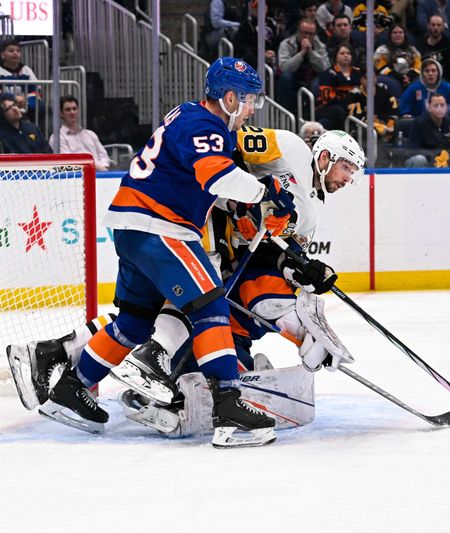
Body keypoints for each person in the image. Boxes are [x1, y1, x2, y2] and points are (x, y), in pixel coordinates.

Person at [7, 128, 366, 440]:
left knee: (144, 315)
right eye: (346, 167)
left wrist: (302, 267)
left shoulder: (309, 216)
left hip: (220, 241)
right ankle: (154, 361)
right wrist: (245, 196)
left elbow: (267, 252)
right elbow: (231, 143)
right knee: (198, 303)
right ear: (326, 154)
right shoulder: (292, 148)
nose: (347, 178)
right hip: (195, 214)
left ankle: (57, 356)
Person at [33, 58, 286, 448]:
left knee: (133, 322)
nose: (252, 108)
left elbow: (206, 183)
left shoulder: (189, 117)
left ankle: (72, 387)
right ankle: (229, 407)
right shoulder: (205, 125)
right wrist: (266, 192)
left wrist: (244, 200)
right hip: (160, 228)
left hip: (133, 226)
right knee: (211, 307)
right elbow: (217, 176)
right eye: (249, 99)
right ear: (230, 97)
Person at [277, 18, 330, 112]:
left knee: (323, 79)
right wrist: (301, 53)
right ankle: (286, 113)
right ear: (298, 31)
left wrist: (311, 52)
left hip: (312, 78)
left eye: (311, 34)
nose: (307, 36)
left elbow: (324, 67)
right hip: (293, 77)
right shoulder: (286, 44)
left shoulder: (320, 46)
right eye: (304, 32)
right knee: (285, 77)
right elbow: (284, 67)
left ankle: (313, 114)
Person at [49, 95, 112, 171]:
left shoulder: (90, 134)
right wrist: (100, 169)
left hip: (102, 174)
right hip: (78, 178)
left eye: (74, 109)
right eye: (68, 110)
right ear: (61, 113)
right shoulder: (57, 138)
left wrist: (104, 169)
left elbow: (103, 155)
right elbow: (70, 162)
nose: (72, 112)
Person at [315, 44, 362, 130]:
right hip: (331, 107)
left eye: (348, 53)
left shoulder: (358, 73)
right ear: (335, 56)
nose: (346, 55)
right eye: (342, 53)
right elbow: (327, 97)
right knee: (336, 113)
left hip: (356, 106)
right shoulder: (328, 74)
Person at [405, 92, 450, 167]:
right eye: (436, 105)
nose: (439, 108)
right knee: (419, 159)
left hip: (442, 159)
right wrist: (434, 156)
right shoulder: (419, 123)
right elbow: (414, 149)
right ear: (429, 107)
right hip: (424, 159)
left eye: (442, 105)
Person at [416, 14, 450, 83]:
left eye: (439, 25)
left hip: (445, 81)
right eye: (433, 25)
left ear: (443, 27)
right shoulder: (420, 44)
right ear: (428, 26)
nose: (436, 28)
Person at [373, 24, 422, 90]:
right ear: (390, 35)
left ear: (404, 35)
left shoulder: (413, 50)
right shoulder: (382, 50)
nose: (398, 34)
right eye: (394, 32)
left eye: (400, 32)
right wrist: (399, 77)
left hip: (410, 79)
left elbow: (418, 66)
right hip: (390, 79)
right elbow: (381, 68)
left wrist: (409, 76)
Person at [0, 38, 39, 118]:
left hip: (25, 105)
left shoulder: (26, 70)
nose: (15, 53)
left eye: (18, 51)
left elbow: (35, 91)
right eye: (11, 51)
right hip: (5, 106)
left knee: (41, 107)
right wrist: (14, 99)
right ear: (2, 55)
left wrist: (26, 103)